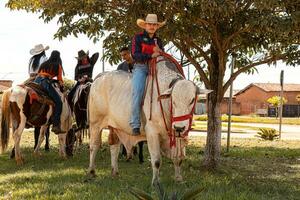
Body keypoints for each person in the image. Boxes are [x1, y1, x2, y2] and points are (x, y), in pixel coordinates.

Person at [130, 14, 165, 135]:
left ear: (157, 27)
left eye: (154, 24)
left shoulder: (158, 41)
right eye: (149, 24)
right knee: (138, 91)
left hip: (156, 68)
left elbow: (162, 56)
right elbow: (135, 55)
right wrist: (151, 55)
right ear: (145, 25)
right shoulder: (137, 38)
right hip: (141, 67)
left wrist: (160, 52)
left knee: (164, 90)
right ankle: (135, 123)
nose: (152, 26)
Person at [34, 50, 65, 134]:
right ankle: (55, 125)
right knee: (59, 102)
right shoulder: (57, 66)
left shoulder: (44, 64)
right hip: (45, 82)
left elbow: (39, 74)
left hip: (36, 81)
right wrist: (62, 86)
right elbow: (60, 80)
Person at [28, 44, 50, 150]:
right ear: (43, 51)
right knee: (52, 98)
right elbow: (46, 72)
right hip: (40, 80)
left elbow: (29, 72)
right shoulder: (44, 58)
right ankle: (54, 117)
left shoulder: (31, 60)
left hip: (29, 80)